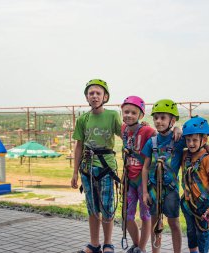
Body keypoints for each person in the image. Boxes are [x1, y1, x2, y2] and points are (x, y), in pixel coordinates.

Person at [141, 99, 209, 253]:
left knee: (174, 223)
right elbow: (145, 168)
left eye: (163, 117)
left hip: (171, 191)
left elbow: (200, 140)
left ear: (172, 120)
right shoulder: (151, 142)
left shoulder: (180, 140)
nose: (158, 121)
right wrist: (144, 192)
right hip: (153, 190)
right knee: (155, 223)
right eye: (156, 117)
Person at [71, 79, 122, 253]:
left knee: (107, 206)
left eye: (98, 93)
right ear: (87, 97)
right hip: (87, 167)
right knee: (92, 207)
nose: (94, 96)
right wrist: (75, 173)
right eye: (91, 93)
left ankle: (108, 243)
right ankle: (94, 244)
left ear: (105, 97)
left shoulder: (113, 115)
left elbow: (126, 134)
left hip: (106, 167)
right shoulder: (83, 119)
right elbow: (79, 146)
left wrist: (142, 127)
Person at [121, 96, 155, 253]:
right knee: (127, 215)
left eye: (133, 113)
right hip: (129, 179)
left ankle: (141, 248)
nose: (129, 115)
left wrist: (176, 130)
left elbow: (164, 137)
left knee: (145, 215)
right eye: (126, 112)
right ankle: (136, 244)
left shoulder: (147, 131)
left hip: (143, 180)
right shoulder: (123, 130)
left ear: (141, 115)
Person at [180, 116, 209, 253]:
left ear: (204, 140)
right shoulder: (184, 155)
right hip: (187, 202)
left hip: (203, 204)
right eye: (188, 140)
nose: (191, 143)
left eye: (195, 140)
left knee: (202, 233)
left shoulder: (208, 159)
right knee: (190, 231)